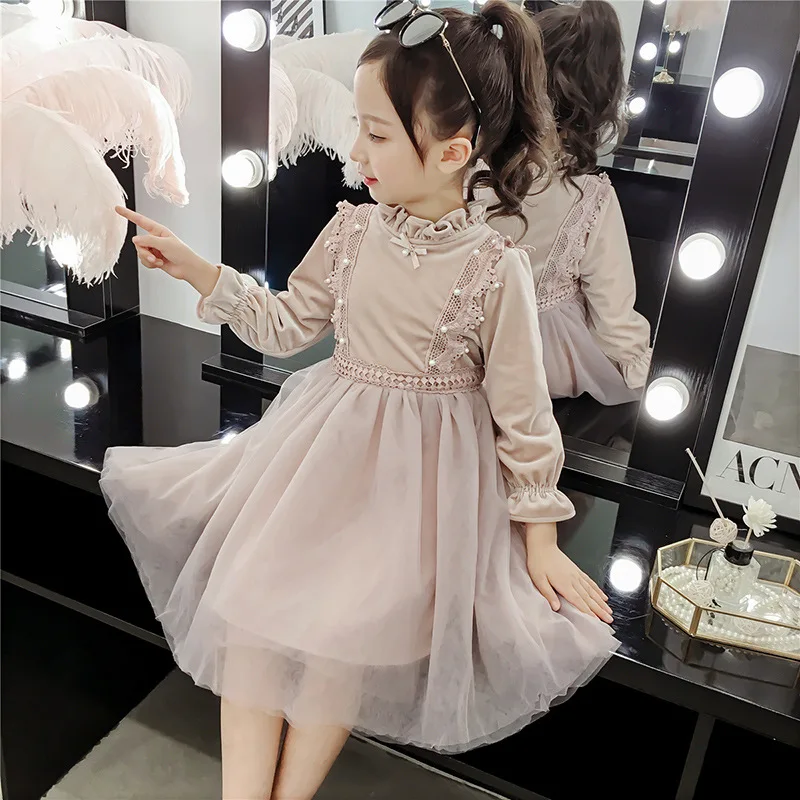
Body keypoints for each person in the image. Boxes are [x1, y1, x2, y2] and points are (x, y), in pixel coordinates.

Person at [101, 3, 617, 798]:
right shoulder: (350, 232)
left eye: (376, 134)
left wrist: (541, 540)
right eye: (358, 128)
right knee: (252, 618)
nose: (354, 152)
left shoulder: (495, 269)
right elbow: (284, 325)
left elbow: (524, 417)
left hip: (417, 494)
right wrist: (202, 270)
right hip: (319, 459)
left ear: (453, 151)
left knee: (342, 648)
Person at [485, 0, 653, 405]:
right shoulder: (590, 199)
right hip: (539, 364)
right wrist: (644, 374)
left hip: (454, 347)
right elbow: (614, 319)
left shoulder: (461, 163)